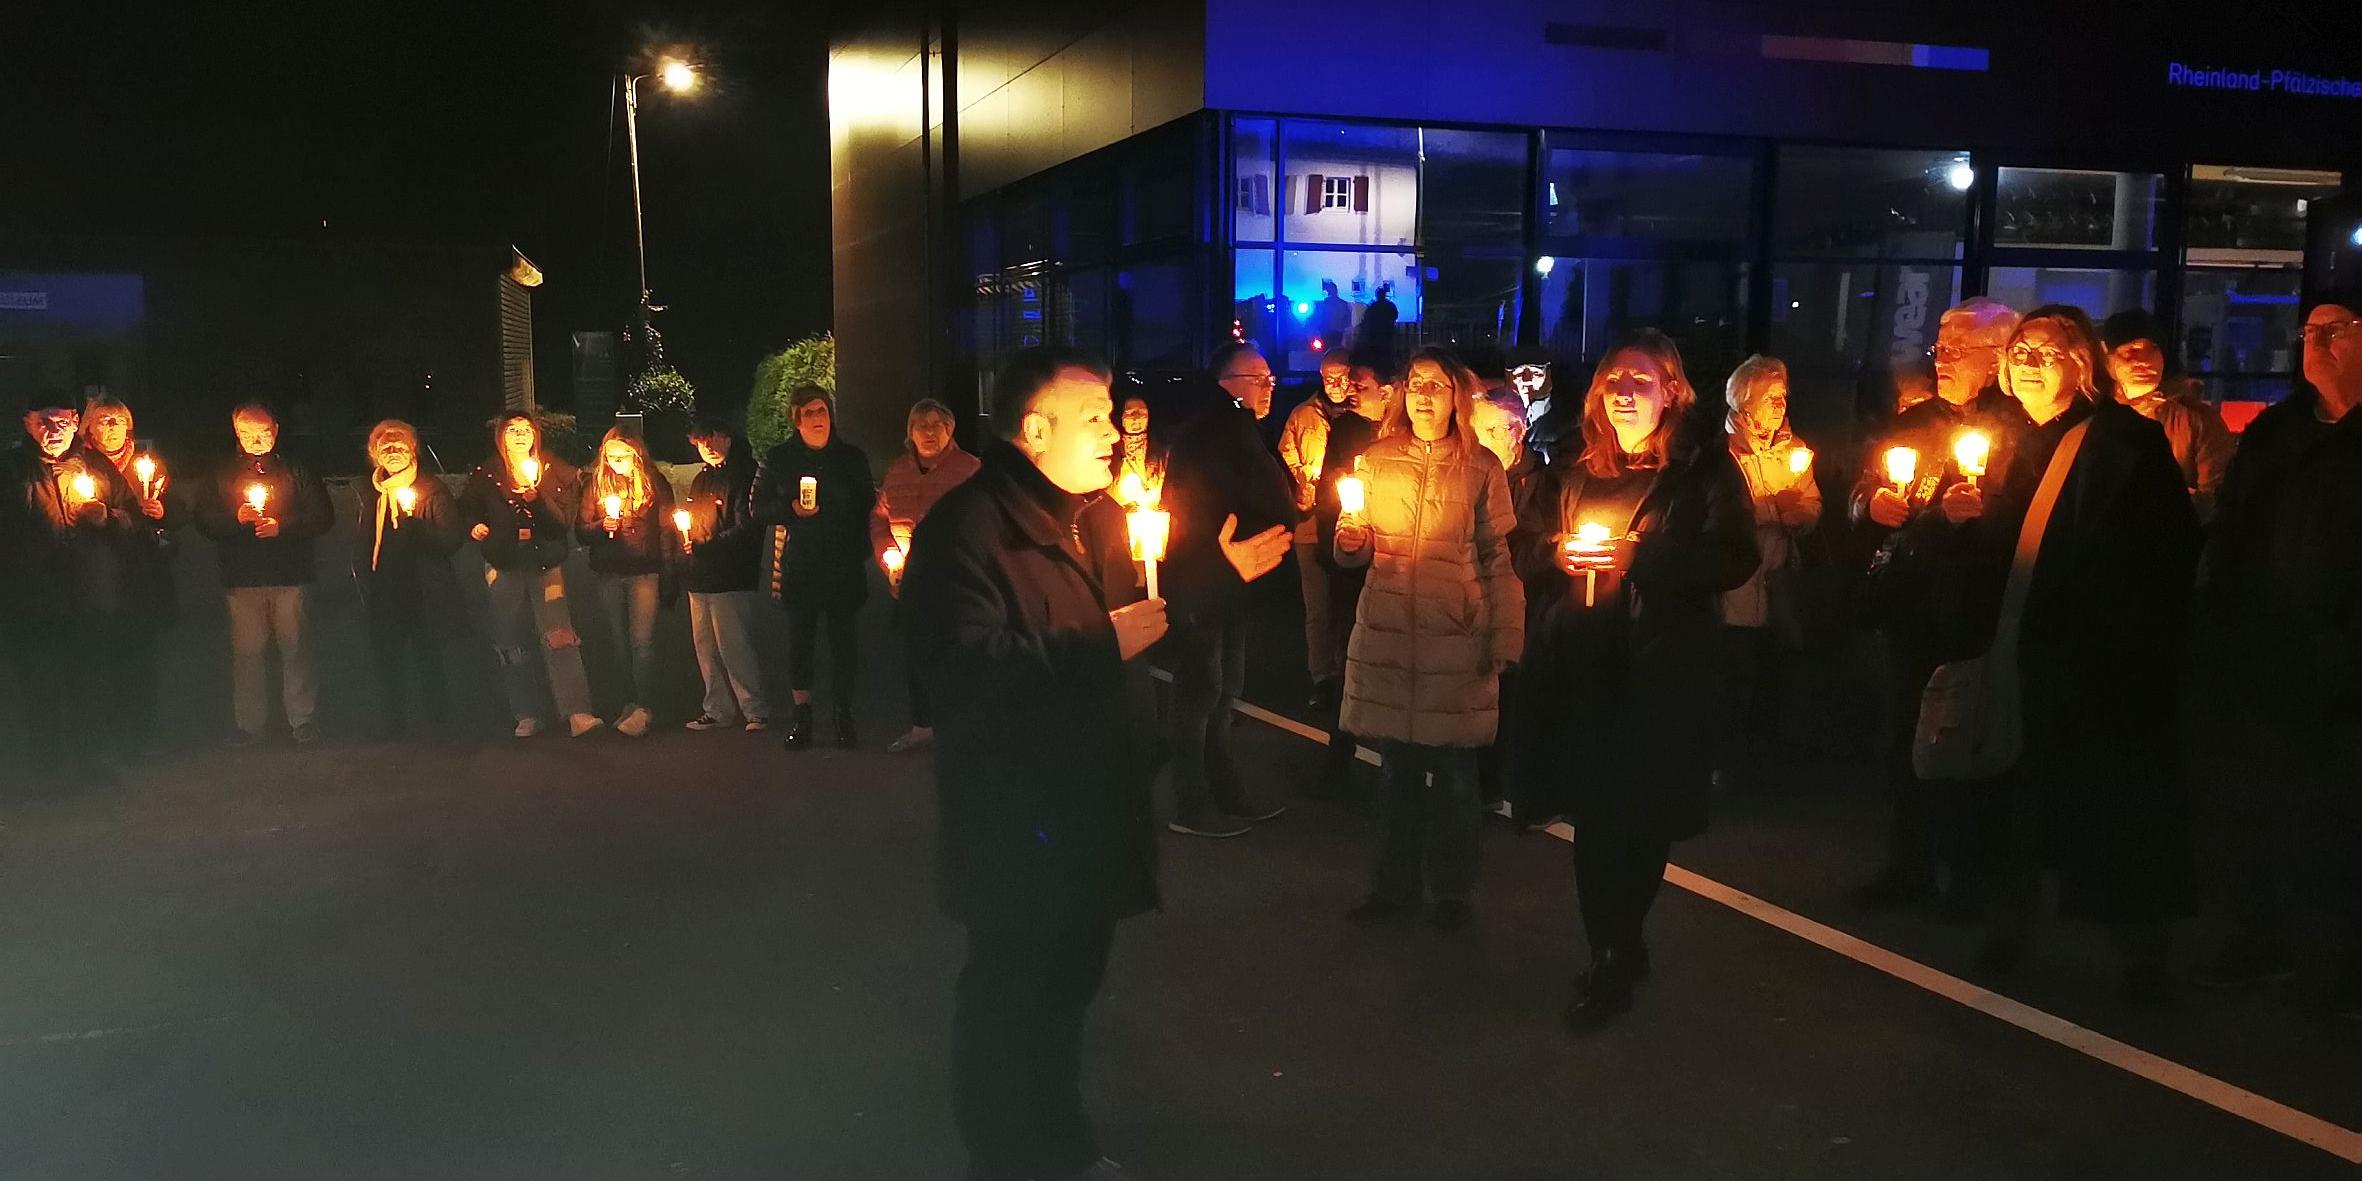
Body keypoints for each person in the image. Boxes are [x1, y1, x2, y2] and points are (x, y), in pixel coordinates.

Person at [903, 346, 1167, 1181]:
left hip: (1080, 808)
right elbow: (961, 670)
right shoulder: (969, 528)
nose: (1115, 433)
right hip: (1018, 818)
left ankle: (1060, 1139)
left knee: (1065, 991)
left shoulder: (1081, 518)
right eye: (1095, 417)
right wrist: (1101, 643)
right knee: (1011, 998)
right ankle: (1007, 1155)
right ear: (1034, 427)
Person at [1921, 306, 2201, 1000]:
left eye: (2048, 351)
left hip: (2101, 660)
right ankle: (2010, 925)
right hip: (2023, 650)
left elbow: (2160, 551)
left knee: (2112, 809)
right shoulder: (2008, 441)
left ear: (2083, 365)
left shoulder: (2122, 442)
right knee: (2019, 796)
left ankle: (2143, 958)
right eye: (2019, 351)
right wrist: (1956, 521)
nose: (2028, 362)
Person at [1510, 330, 1757, 1031]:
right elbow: (1522, 547)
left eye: (1640, 381)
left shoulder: (1702, 470)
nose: (1622, 392)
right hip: (1580, 664)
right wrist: (1558, 550)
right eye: (1613, 380)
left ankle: (1625, 935)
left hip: (1659, 669)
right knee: (1594, 817)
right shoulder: (1565, 464)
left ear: (1671, 393)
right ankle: (1608, 951)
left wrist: (1642, 556)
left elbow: (1733, 556)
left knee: (1642, 819)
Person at [2192, 289, 2362, 1015]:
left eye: (2335, 330)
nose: (2314, 342)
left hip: (2346, 659)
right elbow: (2236, 526)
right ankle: (2260, 939)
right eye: (2310, 330)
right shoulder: (2280, 430)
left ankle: (2342, 965)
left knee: (2341, 817)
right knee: (2261, 805)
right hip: (2268, 649)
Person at [1332, 350, 1524, 932]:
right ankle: (1392, 889)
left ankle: (1450, 895)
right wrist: (1348, 540)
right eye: (1415, 384)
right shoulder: (1374, 460)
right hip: (1390, 629)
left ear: (1455, 399)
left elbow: (1498, 558)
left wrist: (1505, 631)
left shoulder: (1482, 468)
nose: (1423, 395)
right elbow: (1353, 549)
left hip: (1455, 637)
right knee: (1396, 775)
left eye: (1436, 386)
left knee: (1458, 779)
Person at [1851, 296, 2021, 912]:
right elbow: (1864, 486)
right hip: (1912, 605)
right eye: (1940, 348)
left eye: (1958, 349)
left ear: (1998, 356)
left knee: (1972, 740)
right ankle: (1908, 865)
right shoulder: (1912, 422)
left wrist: (1979, 517)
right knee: (1905, 739)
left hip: (1976, 609)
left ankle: (1970, 875)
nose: (1942, 359)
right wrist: (1870, 507)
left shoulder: (2018, 428)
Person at [1159, 342, 1295, 837]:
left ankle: (1222, 791)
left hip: (1235, 579)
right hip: (1206, 580)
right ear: (1227, 385)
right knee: (1202, 688)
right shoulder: (1212, 432)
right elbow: (1198, 510)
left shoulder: (1237, 429)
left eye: (1270, 378)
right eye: (1258, 378)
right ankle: (1192, 802)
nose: (1269, 386)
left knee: (1223, 689)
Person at [2, 391, 140, 787]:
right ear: (29, 423)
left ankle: (90, 762)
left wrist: (107, 519)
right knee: (41, 687)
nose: (55, 431)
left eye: (63, 422)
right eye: (46, 422)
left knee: (89, 683)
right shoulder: (11, 470)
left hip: (87, 595)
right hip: (32, 601)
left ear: (77, 421)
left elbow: (133, 521)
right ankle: (49, 770)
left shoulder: (94, 465)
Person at [191, 403, 334, 747]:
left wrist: (282, 527)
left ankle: (303, 720)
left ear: (276, 430)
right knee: (248, 653)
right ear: (236, 433)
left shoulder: (296, 470)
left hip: (290, 574)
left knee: (296, 647)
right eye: (248, 433)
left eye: (263, 432)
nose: (257, 440)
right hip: (242, 578)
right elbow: (204, 520)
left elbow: (322, 516)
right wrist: (235, 519)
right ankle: (249, 724)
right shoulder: (222, 472)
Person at [459, 411, 603, 739]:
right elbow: (468, 506)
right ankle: (525, 713)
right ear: (501, 437)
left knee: (559, 635)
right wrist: (475, 526)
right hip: (504, 563)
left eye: (526, 429)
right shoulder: (488, 473)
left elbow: (560, 523)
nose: (520, 435)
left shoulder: (554, 470)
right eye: (512, 430)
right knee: (511, 638)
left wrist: (537, 499)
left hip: (544, 563)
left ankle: (577, 711)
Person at [1717, 356, 1821, 794]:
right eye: (1769, 398)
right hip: (1735, 589)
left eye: (1782, 397)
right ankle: (1725, 769)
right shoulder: (1722, 452)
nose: (1779, 406)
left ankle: (1766, 773)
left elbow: (1812, 503)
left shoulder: (1793, 449)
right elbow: (1728, 511)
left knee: (1775, 680)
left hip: (1777, 585)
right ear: (1744, 401)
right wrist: (1777, 508)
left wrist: (1803, 515)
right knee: (1732, 682)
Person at [756, 385, 877, 749]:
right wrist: (789, 510)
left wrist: (861, 548)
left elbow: (867, 505)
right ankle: (802, 718)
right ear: (796, 420)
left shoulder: (851, 458)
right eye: (807, 413)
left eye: (821, 411)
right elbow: (757, 508)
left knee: (844, 644)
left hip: (843, 564)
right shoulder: (779, 459)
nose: (816, 419)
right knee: (800, 644)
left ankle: (843, 715)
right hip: (800, 564)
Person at [871, 398, 982, 753]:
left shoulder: (970, 469)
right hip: (909, 582)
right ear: (910, 433)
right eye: (922, 425)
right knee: (916, 654)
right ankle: (922, 726)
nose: (930, 432)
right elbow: (879, 518)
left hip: (956, 582)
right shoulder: (898, 472)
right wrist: (887, 558)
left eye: (937, 424)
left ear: (950, 430)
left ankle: (963, 728)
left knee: (958, 654)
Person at [353, 420, 464, 740]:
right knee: (387, 659)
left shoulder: (430, 490)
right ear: (374, 454)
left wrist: (417, 527)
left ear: (413, 450)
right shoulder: (369, 491)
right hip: (382, 588)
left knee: (427, 656)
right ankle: (394, 724)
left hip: (421, 588)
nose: (393, 453)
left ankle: (439, 722)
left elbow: (451, 539)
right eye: (386, 448)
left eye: (400, 447)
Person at [80, 395, 177, 754]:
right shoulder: (81, 466)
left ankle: (141, 735)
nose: (111, 428)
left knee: (141, 659)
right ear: (88, 428)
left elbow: (176, 513)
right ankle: (109, 735)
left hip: (144, 578)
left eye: (117, 421)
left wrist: (162, 511)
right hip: (101, 577)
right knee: (105, 659)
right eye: (103, 421)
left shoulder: (147, 465)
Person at [575, 427, 675, 738]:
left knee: (641, 642)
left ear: (637, 455)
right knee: (617, 643)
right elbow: (581, 530)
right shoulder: (596, 485)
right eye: (611, 456)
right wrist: (600, 527)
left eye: (624, 456)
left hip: (644, 572)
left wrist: (670, 571)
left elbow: (666, 530)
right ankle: (628, 704)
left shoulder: (654, 485)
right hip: (610, 572)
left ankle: (645, 706)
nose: (617, 461)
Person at [1470, 387, 1544, 811]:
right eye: (1481, 428)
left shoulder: (1539, 481)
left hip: (1522, 601)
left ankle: (1506, 784)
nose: (1487, 438)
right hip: (1474, 600)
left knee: (1513, 696)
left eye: (1499, 428)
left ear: (1519, 432)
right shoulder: (1470, 474)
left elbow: (1534, 544)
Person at [679, 418, 775, 733]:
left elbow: (747, 526)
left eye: (712, 438)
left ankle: (754, 709)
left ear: (728, 438)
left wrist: (708, 544)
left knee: (734, 645)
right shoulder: (701, 479)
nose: (706, 446)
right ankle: (717, 708)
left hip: (731, 576)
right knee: (705, 646)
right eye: (700, 441)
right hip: (701, 576)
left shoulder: (744, 475)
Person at [2099, 308, 2235, 522]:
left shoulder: (2195, 419)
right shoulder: (2098, 415)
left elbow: (2219, 495)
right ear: (2108, 359)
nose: (2143, 361)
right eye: (2131, 350)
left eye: (2152, 349)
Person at [1277, 347, 1357, 709]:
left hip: (1351, 525)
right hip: (1310, 524)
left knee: (1350, 606)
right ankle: (1323, 678)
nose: (1336, 385)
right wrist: (1299, 486)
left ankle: (1351, 676)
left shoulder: (1361, 417)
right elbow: (1284, 458)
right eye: (1329, 378)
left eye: (1343, 377)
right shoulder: (1303, 416)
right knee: (1318, 607)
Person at [1111, 392, 1161, 491]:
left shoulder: (1160, 451)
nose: (1136, 418)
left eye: (1142, 413)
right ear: (1121, 417)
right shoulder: (1108, 449)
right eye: (1130, 413)